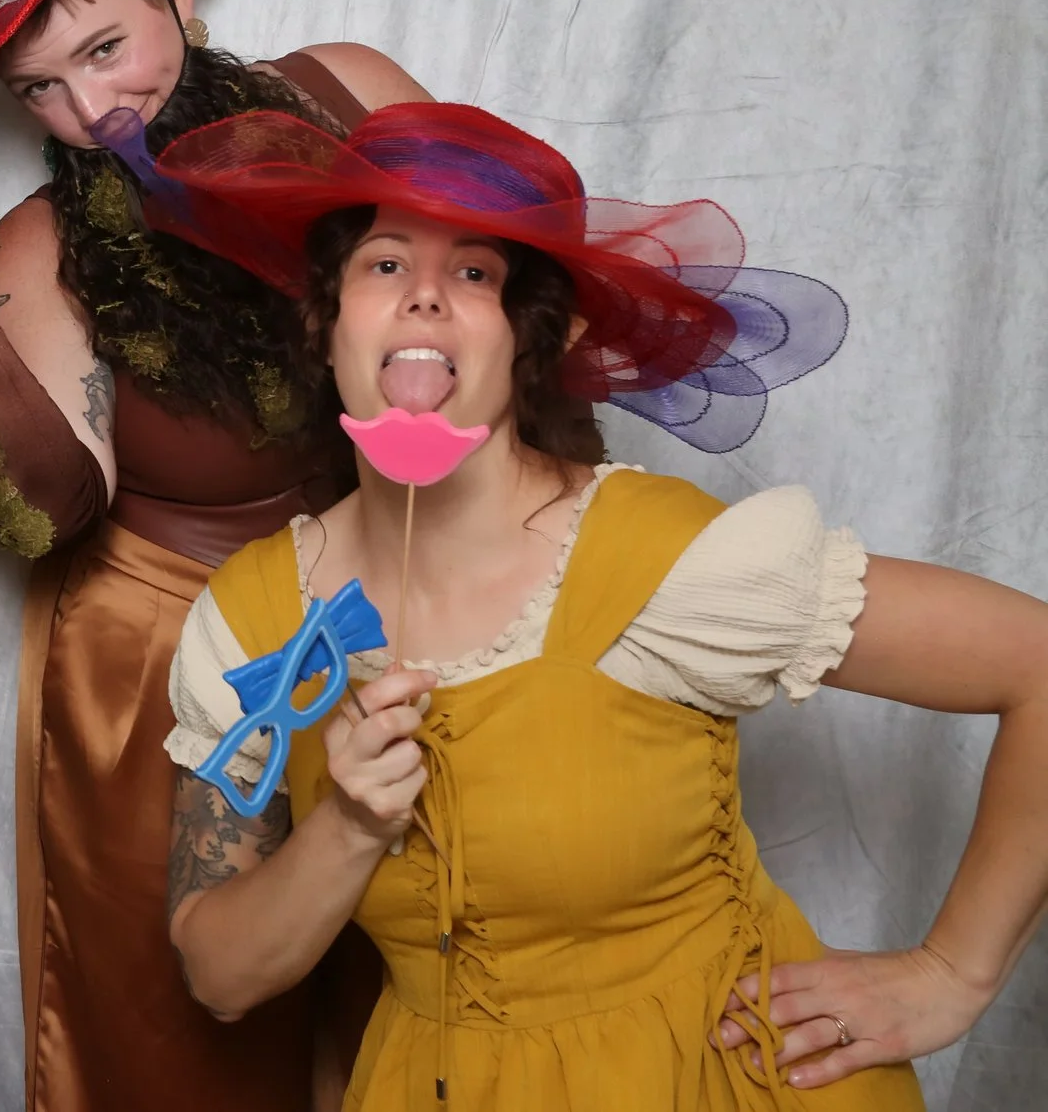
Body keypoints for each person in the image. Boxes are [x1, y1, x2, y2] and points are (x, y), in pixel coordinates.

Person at [152, 103, 1048, 1110]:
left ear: (528, 336)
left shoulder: (663, 561)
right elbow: (219, 976)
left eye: (476, 272)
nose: (427, 299)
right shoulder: (252, 616)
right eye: (385, 263)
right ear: (325, 323)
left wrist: (950, 972)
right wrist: (349, 826)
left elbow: (1035, 663)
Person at [0, 0, 429, 1111]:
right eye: (36, 88)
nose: (87, 111)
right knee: (175, 1039)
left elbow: (495, 295)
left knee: (425, 995)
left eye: (104, 49)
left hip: (402, 603)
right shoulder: (47, 248)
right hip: (169, 654)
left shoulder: (342, 93)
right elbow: (31, 503)